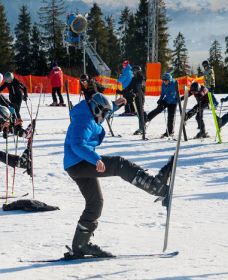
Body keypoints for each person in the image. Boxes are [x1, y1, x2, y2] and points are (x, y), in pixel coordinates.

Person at [63, 93, 174, 258]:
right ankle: (154, 185)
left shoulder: (88, 113)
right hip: (80, 162)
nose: (105, 117)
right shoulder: (83, 120)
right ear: (96, 109)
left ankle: (81, 245)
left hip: (76, 164)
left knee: (95, 203)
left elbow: (100, 111)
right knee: (119, 164)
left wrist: (115, 105)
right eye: (105, 114)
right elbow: (77, 144)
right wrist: (96, 159)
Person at [145, 73, 179, 138]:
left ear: (169, 80)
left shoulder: (174, 84)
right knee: (158, 109)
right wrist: (160, 100)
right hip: (166, 100)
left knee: (170, 117)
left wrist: (165, 102)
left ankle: (169, 132)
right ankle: (146, 119)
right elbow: (163, 93)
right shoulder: (163, 84)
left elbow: (173, 96)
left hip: (173, 102)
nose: (164, 82)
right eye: (163, 80)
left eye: (166, 80)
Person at [129, 66, 147, 136]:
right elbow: (130, 87)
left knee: (140, 111)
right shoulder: (133, 79)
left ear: (139, 71)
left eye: (135, 71)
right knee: (139, 112)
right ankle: (142, 126)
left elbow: (142, 85)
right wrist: (123, 91)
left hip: (140, 96)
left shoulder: (141, 78)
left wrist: (137, 92)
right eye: (133, 71)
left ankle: (142, 127)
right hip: (136, 97)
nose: (134, 72)